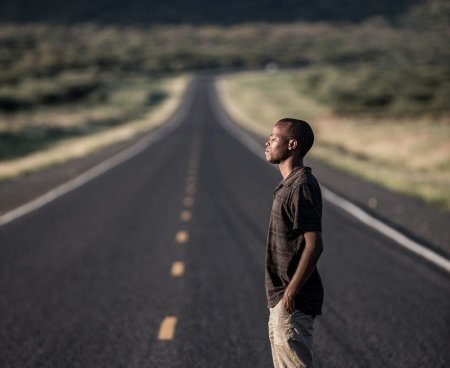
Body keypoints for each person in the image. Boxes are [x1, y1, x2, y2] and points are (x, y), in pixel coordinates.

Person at [264, 118, 324, 368]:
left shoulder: (300, 186)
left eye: (274, 138)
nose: (267, 142)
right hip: (282, 299)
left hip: (292, 300)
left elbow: (314, 244)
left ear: (292, 144)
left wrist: (291, 292)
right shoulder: (289, 184)